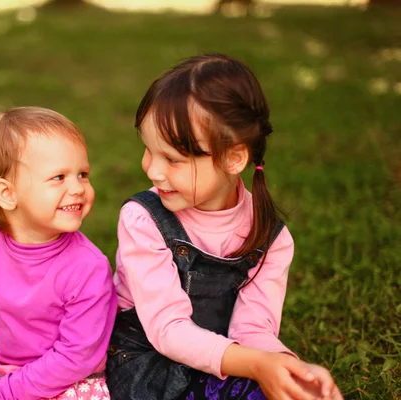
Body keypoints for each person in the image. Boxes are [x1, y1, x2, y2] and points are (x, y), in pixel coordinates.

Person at [105, 54, 343, 400]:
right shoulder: (143, 219)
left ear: (233, 158)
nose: (153, 171)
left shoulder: (269, 238)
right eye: (148, 150)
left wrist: (285, 368)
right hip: (146, 364)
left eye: (172, 159)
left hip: (222, 361)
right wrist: (256, 366)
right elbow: (167, 330)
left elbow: (253, 329)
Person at [0, 107, 117, 400]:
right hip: (9, 374)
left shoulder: (88, 267)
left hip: (74, 382)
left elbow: (75, 358)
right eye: (59, 177)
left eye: (83, 174)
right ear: (8, 194)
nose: (78, 188)